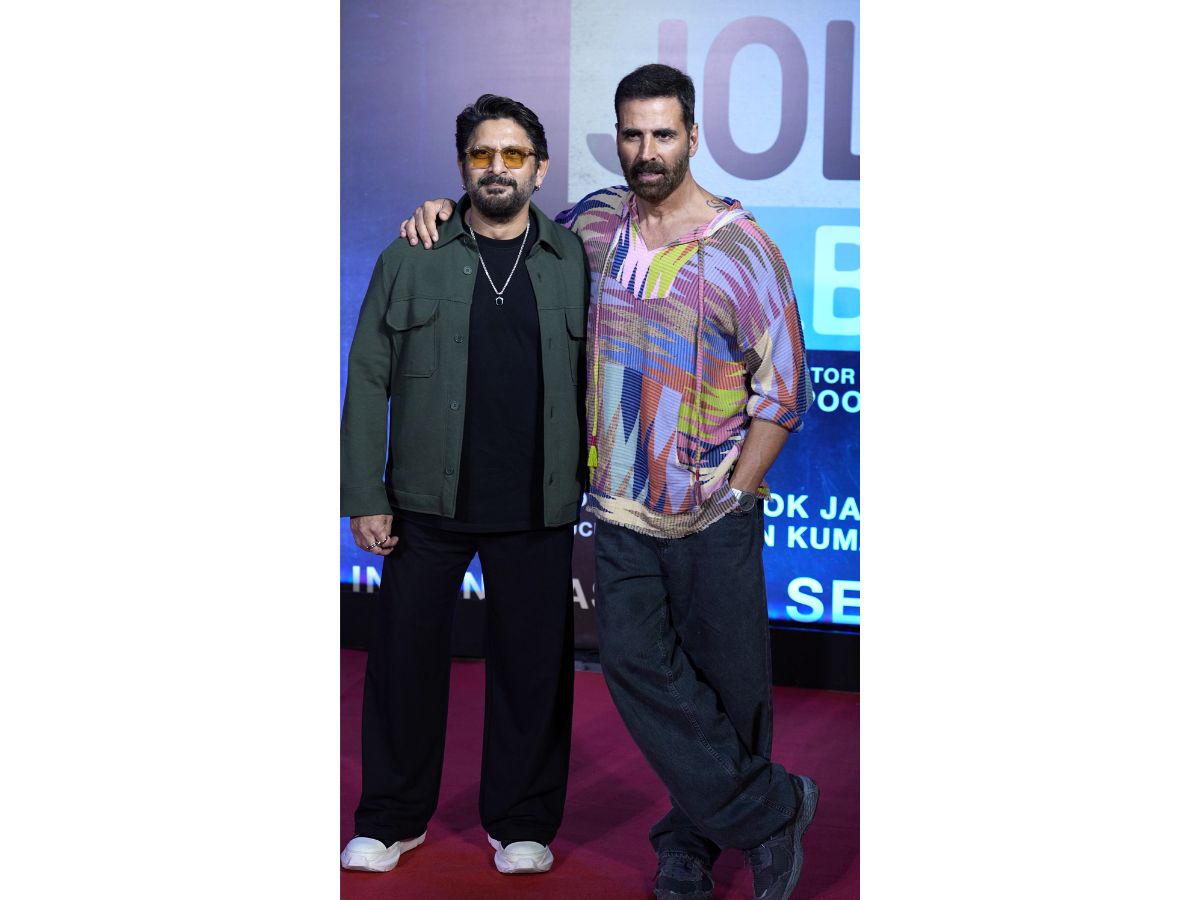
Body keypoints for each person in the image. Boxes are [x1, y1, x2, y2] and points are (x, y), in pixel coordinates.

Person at [402, 64, 818, 900]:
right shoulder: (591, 227)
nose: (647, 150)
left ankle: (691, 848)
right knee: (634, 669)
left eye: (663, 134)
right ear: (617, 139)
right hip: (622, 512)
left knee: (729, 688)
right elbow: (508, 228)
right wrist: (445, 210)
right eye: (633, 134)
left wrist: (738, 493)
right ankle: (775, 809)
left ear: (692, 137)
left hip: (715, 511)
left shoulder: (744, 249)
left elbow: (783, 391)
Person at [340, 93, 588, 878]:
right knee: (403, 667)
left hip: (537, 503)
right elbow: (367, 374)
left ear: (540, 168)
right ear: (462, 166)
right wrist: (364, 493)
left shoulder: (576, 256)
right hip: (425, 501)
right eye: (483, 154)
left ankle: (522, 822)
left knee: (532, 673)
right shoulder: (410, 253)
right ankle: (390, 819)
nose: (497, 167)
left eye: (514, 155)